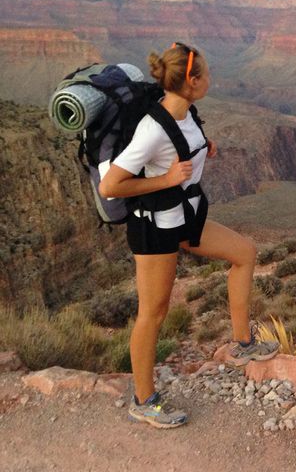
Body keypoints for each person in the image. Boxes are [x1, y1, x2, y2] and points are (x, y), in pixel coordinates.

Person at [99, 42, 279, 429]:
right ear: (193, 81)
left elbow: (183, 147)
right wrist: (165, 179)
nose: (211, 79)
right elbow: (110, 186)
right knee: (154, 313)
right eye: (208, 74)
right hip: (153, 228)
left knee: (245, 253)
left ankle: (243, 343)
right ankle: (143, 400)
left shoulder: (187, 113)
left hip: (184, 217)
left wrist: (204, 148)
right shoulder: (151, 129)